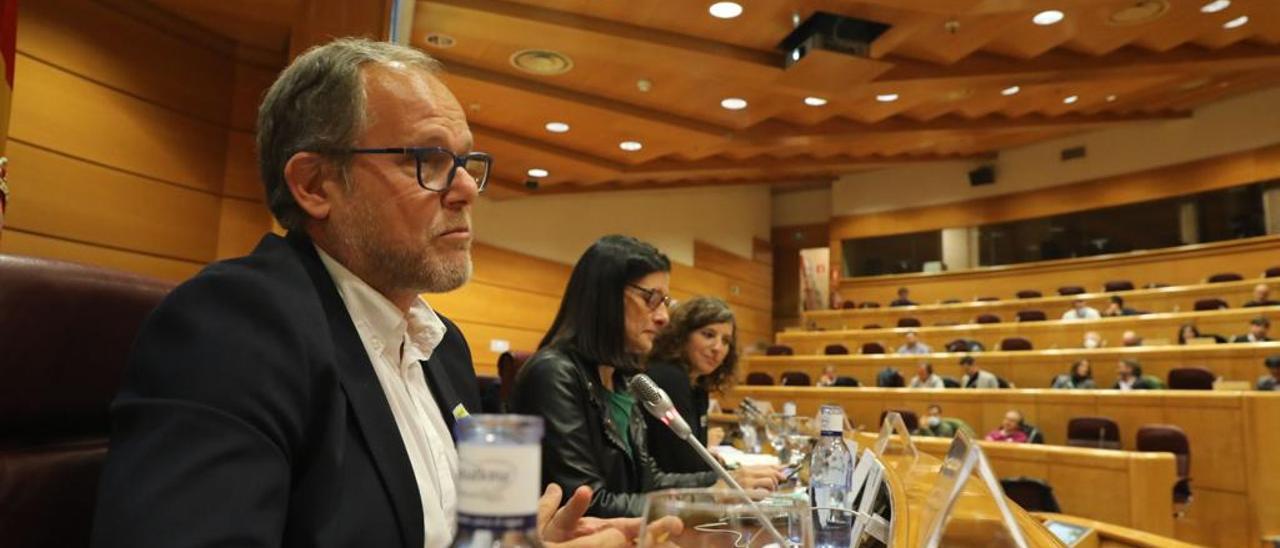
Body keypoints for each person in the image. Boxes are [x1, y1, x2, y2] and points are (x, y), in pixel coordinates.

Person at [89, 38, 638, 548]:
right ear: (314, 185)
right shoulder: (234, 327)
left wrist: (522, 539)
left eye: (467, 162)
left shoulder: (442, 347)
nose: (467, 189)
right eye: (427, 160)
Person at [512, 236, 778, 518]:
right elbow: (586, 504)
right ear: (606, 297)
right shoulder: (553, 374)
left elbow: (650, 482)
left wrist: (727, 485)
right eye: (651, 299)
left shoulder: (624, 380)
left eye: (665, 302)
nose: (664, 317)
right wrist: (712, 498)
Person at [643, 296, 783, 483]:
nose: (718, 348)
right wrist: (730, 474)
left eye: (726, 341)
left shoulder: (698, 385)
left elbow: (693, 458)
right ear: (682, 336)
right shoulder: (670, 377)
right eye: (708, 335)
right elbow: (683, 467)